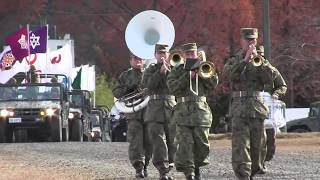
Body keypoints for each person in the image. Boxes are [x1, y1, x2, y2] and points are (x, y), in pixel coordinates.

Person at [223, 28, 287, 180]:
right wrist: (245, 60)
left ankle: (253, 172)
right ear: (242, 41)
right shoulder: (234, 60)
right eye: (248, 40)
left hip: (257, 109)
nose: (251, 42)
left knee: (258, 147)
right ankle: (243, 176)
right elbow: (229, 76)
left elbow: (271, 79)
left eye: (253, 40)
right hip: (239, 109)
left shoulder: (262, 62)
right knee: (240, 145)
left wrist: (261, 62)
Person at [167, 43, 219, 180]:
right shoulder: (177, 70)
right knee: (185, 144)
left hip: (200, 112)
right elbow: (173, 88)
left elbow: (213, 85)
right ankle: (189, 172)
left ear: (197, 54)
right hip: (182, 112)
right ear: (183, 56)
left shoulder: (204, 66)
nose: (191, 56)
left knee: (201, 143)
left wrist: (202, 73)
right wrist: (187, 76)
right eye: (188, 54)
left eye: (193, 53)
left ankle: (196, 167)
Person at [112, 53, 152, 178]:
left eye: (140, 58)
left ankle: (145, 165)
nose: (138, 60)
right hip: (133, 113)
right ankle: (138, 168)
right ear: (130, 61)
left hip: (150, 111)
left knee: (149, 141)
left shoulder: (150, 73)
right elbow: (116, 92)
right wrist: (129, 88)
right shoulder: (125, 75)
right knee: (136, 140)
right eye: (135, 58)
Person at [141, 44, 177, 180]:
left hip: (171, 107)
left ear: (168, 54)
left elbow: (178, 85)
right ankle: (163, 170)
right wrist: (160, 72)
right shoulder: (150, 70)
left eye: (165, 53)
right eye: (159, 53)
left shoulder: (175, 68)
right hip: (155, 109)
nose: (162, 56)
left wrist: (169, 71)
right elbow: (147, 85)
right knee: (158, 141)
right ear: (155, 55)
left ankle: (170, 165)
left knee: (172, 140)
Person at [256, 45, 287, 174]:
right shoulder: (246, 70)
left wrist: (277, 93)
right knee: (256, 138)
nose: (258, 58)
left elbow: (282, 85)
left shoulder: (271, 70)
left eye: (260, 55)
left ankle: (265, 159)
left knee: (270, 142)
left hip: (269, 111)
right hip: (253, 109)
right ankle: (258, 164)